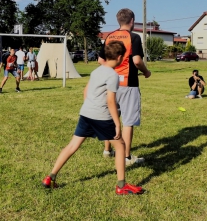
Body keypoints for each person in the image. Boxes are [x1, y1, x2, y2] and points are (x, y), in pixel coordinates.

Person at [42, 41, 144, 195]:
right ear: (119, 57)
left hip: (86, 113)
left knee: (72, 146)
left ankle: (50, 177)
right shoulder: (113, 76)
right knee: (121, 146)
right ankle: (121, 186)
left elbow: (86, 91)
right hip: (102, 117)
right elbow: (111, 101)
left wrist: (90, 109)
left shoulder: (96, 71)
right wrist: (117, 123)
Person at [98, 8, 151, 166]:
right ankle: (127, 157)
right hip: (128, 83)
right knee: (128, 121)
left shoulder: (109, 37)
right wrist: (146, 72)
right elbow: (136, 60)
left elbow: (101, 61)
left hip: (110, 84)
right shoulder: (133, 37)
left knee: (110, 118)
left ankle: (107, 150)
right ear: (132, 21)